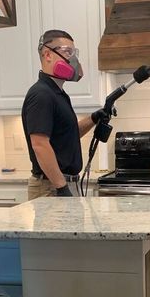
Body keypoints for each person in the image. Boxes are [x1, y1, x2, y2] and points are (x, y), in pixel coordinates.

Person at [22, 29, 106, 199]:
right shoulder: (41, 94)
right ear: (47, 55)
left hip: (62, 184)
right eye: (67, 52)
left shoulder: (57, 93)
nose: (72, 59)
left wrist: (94, 118)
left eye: (74, 52)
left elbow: (69, 134)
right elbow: (40, 145)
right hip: (52, 187)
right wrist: (61, 188)